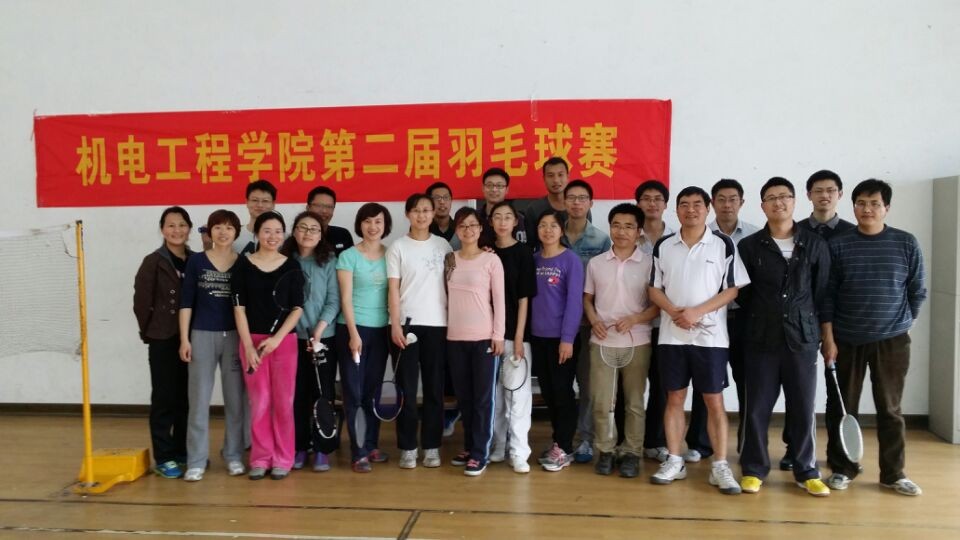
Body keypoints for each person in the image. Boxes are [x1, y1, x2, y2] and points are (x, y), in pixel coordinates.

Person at [823, 179, 927, 496]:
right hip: (846, 340)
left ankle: (893, 474)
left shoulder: (905, 242)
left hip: (892, 341)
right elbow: (826, 296)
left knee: (890, 409)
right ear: (853, 206)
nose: (867, 209)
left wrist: (903, 323)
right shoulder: (838, 244)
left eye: (874, 204)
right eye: (861, 203)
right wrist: (828, 339)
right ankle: (842, 469)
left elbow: (917, 290)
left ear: (887, 208)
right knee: (842, 408)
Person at [647, 186, 749, 495]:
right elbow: (654, 289)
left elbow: (732, 290)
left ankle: (720, 465)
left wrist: (696, 312)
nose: (690, 210)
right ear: (676, 210)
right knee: (674, 398)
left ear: (707, 209)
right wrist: (675, 312)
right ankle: (674, 460)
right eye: (684, 204)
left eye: (696, 204)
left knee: (714, 401)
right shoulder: (664, 245)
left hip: (711, 339)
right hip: (672, 337)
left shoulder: (723, 244)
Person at [736, 177, 832, 497]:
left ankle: (807, 470)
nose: (778, 202)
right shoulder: (749, 247)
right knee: (756, 408)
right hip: (760, 339)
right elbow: (743, 295)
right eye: (771, 198)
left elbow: (822, 294)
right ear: (762, 206)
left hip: (802, 339)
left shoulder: (815, 244)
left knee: (803, 407)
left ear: (794, 201)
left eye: (784, 196)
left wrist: (824, 335)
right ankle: (753, 469)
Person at [684, 179, 759, 464]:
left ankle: (748, 445)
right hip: (707, 320)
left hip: (743, 319)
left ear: (742, 202)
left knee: (747, 382)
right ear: (712, 203)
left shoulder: (754, 236)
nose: (727, 205)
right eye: (721, 199)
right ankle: (699, 444)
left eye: (733, 199)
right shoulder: (699, 233)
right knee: (706, 383)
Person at [583, 203, 659, 478]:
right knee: (601, 402)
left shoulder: (650, 263)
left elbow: (657, 305)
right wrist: (594, 320)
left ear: (639, 232)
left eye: (629, 226)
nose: (621, 231)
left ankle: (631, 453)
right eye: (616, 225)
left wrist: (635, 319)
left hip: (637, 341)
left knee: (634, 402)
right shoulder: (596, 263)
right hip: (602, 340)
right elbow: (587, 299)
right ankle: (605, 450)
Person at [232, 211, 304, 481]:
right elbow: (238, 308)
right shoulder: (243, 265)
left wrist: (277, 339)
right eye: (267, 231)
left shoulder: (292, 266)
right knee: (260, 402)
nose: (273, 236)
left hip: (284, 343)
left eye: (278, 231)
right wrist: (248, 346)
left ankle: (283, 458)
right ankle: (261, 458)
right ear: (257, 233)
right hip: (251, 342)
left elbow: (297, 308)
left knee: (284, 403)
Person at [178, 209, 245, 481]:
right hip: (201, 335)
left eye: (228, 227)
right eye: (217, 227)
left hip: (234, 337)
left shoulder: (243, 262)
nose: (223, 232)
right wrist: (184, 338)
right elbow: (186, 302)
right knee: (198, 401)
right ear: (209, 231)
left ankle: (233, 455)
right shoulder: (196, 261)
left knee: (236, 401)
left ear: (236, 232)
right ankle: (196, 460)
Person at [386, 194, 452, 469]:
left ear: (433, 213)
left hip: (438, 325)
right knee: (407, 390)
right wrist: (395, 324)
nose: (422, 215)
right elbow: (392, 289)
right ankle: (408, 447)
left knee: (435, 389)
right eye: (416, 210)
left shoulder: (443, 245)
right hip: (407, 325)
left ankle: (432, 447)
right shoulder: (397, 247)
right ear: (407, 214)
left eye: (426, 210)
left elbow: (452, 284)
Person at [134, 206, 194, 479]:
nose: (177, 230)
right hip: (163, 339)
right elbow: (141, 302)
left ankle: (181, 451)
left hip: (191, 338)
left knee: (185, 397)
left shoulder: (195, 260)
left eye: (182, 225)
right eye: (171, 225)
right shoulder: (153, 261)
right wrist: (150, 332)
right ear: (162, 230)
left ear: (189, 229)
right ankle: (164, 457)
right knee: (164, 398)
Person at [445, 207, 506, 477]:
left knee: (483, 399)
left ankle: (480, 452)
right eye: (462, 226)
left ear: (481, 229)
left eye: (472, 225)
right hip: (454, 337)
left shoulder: (491, 260)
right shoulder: (449, 259)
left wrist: (498, 335)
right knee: (465, 398)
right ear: (456, 230)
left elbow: (500, 301)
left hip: (483, 339)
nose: (467, 230)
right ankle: (469, 446)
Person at [280, 211, 340, 472]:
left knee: (323, 394)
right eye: (302, 228)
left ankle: (323, 449)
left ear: (321, 234)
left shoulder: (329, 261)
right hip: (291, 338)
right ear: (294, 231)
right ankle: (300, 447)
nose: (308, 233)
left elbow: (334, 300)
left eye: (314, 229)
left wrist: (319, 330)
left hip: (323, 338)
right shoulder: (283, 260)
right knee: (297, 396)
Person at [337, 203, 393, 473]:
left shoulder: (391, 254)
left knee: (373, 391)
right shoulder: (348, 256)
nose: (373, 227)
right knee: (354, 392)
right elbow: (345, 298)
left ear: (385, 225)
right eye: (368, 221)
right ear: (360, 224)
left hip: (381, 330)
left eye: (378, 221)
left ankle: (371, 444)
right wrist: (353, 333)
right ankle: (358, 451)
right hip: (352, 329)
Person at [532, 209, 585, 472]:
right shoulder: (533, 259)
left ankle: (564, 447)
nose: (548, 230)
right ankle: (558, 441)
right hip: (537, 338)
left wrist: (567, 339)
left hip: (561, 340)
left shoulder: (571, 260)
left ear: (561, 230)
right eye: (543, 225)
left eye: (553, 225)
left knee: (563, 393)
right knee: (549, 393)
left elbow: (575, 302)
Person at [563, 179, 611, 464]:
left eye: (582, 198)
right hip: (557, 324)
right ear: (564, 202)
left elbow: (604, 283)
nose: (576, 203)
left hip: (587, 324)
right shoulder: (552, 233)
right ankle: (562, 437)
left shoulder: (601, 240)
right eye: (572, 198)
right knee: (561, 385)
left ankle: (585, 439)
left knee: (588, 385)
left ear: (591, 203)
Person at [489, 201, 537, 474]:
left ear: (516, 222)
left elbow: (524, 299)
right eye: (497, 217)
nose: (503, 221)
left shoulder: (524, 253)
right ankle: (498, 445)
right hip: (488, 336)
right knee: (494, 397)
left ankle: (519, 451)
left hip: (516, 336)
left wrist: (518, 337)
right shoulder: (485, 251)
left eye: (508, 217)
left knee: (517, 397)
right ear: (491, 222)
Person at [634, 180, 674, 463]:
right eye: (646, 198)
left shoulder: (676, 238)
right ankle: (629, 441)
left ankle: (655, 441)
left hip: (665, 324)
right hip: (633, 324)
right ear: (638, 203)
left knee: (661, 385)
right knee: (632, 387)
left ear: (665, 204)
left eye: (657, 199)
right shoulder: (627, 234)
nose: (652, 203)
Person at [523, 156, 592, 248]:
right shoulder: (534, 209)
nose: (556, 180)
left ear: (567, 177)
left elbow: (588, 240)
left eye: (560, 175)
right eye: (550, 175)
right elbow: (530, 245)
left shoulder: (580, 207)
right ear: (544, 178)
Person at [477, 167, 526, 244]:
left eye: (499, 186)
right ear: (483, 188)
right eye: (489, 185)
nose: (494, 189)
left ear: (507, 190)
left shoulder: (518, 219)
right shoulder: (475, 218)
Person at [306, 185, 355, 256]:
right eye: (319, 205)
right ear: (308, 208)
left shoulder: (343, 235)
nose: (324, 211)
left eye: (329, 207)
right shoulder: (300, 236)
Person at [234, 179, 277, 255]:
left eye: (265, 201)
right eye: (255, 200)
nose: (260, 205)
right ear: (247, 202)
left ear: (273, 204)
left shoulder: (283, 238)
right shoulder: (234, 235)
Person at [426, 181, 459, 247]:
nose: (442, 202)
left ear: (451, 201)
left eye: (446, 197)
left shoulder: (460, 227)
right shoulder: (423, 229)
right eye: (437, 198)